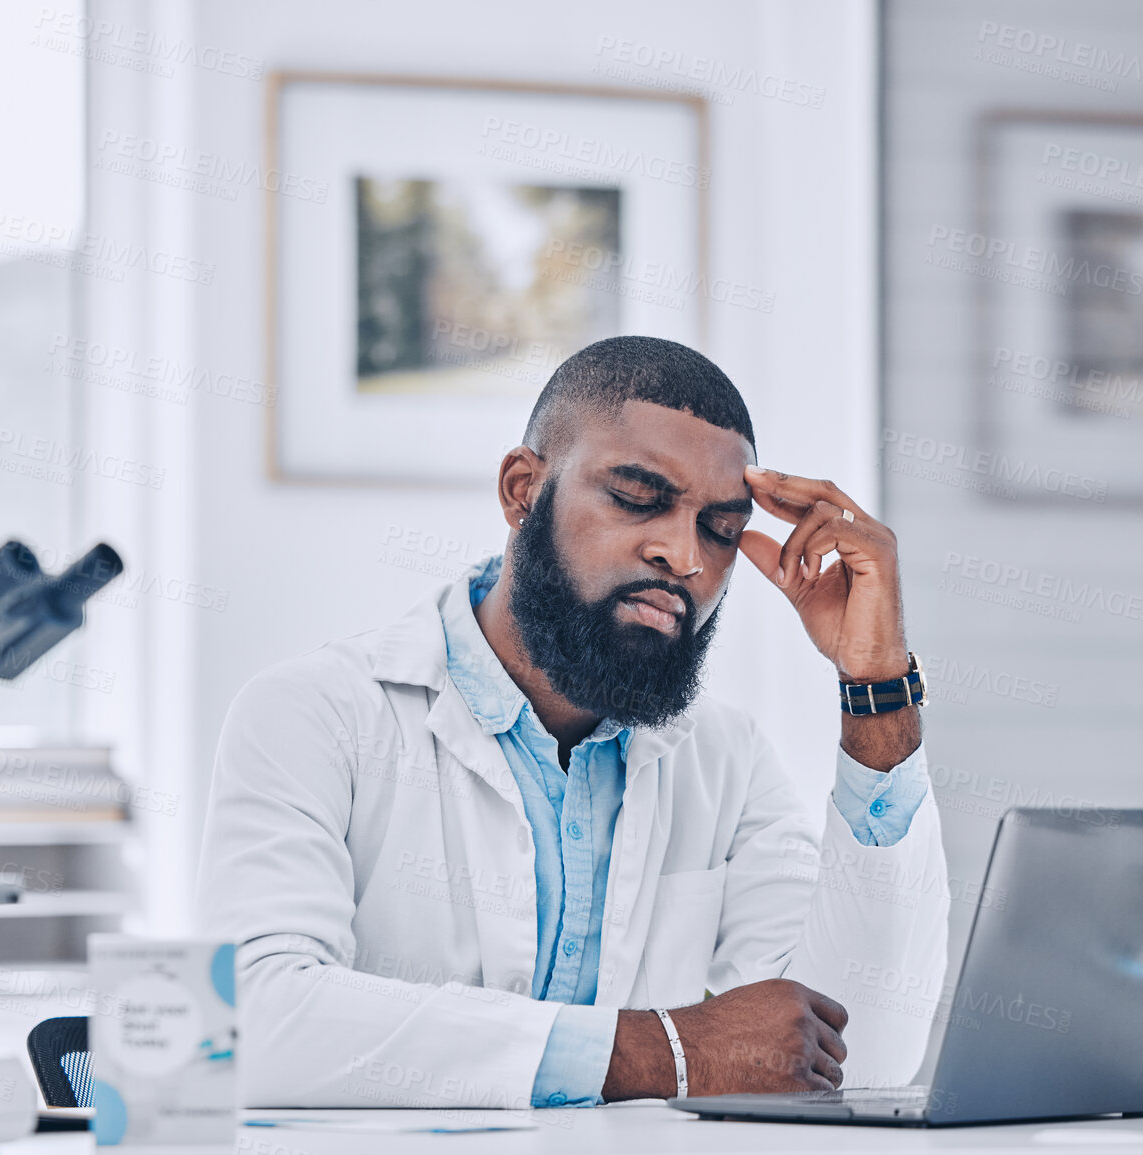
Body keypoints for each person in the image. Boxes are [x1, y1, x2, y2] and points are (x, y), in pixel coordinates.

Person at [199, 336, 949, 1109]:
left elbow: (859, 1060)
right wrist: (667, 1049)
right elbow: (252, 1023)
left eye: (720, 529)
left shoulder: (727, 758)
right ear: (522, 489)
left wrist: (877, 685)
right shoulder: (314, 713)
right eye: (636, 496)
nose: (681, 554)